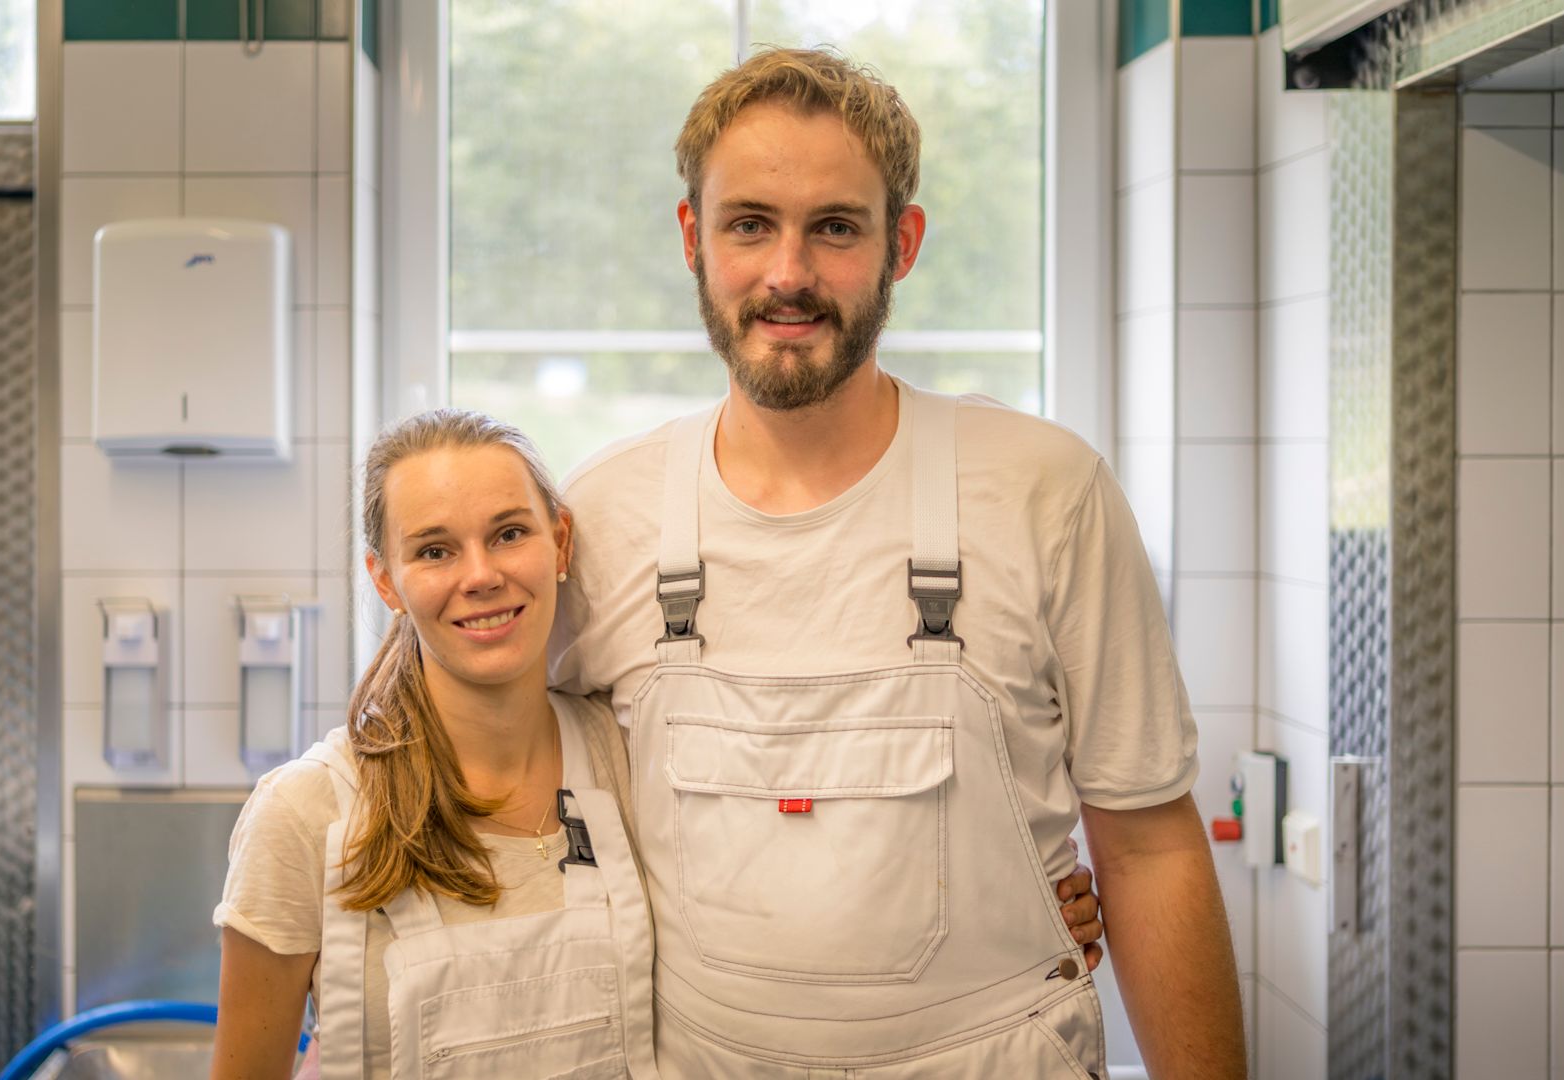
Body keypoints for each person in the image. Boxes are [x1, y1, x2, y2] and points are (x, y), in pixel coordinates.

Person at [549, 48, 1247, 1078]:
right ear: (694, 237)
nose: (789, 273)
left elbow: (1146, 845)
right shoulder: (603, 514)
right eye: (751, 224)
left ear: (900, 243)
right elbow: (512, 800)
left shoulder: (1045, 492)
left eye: (834, 227)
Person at [207, 410, 1106, 1079]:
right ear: (386, 581)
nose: (480, 575)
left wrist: (1014, 907)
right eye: (435, 550)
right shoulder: (310, 816)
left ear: (559, 543)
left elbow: (784, 864)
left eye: (508, 533)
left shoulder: (620, 755)